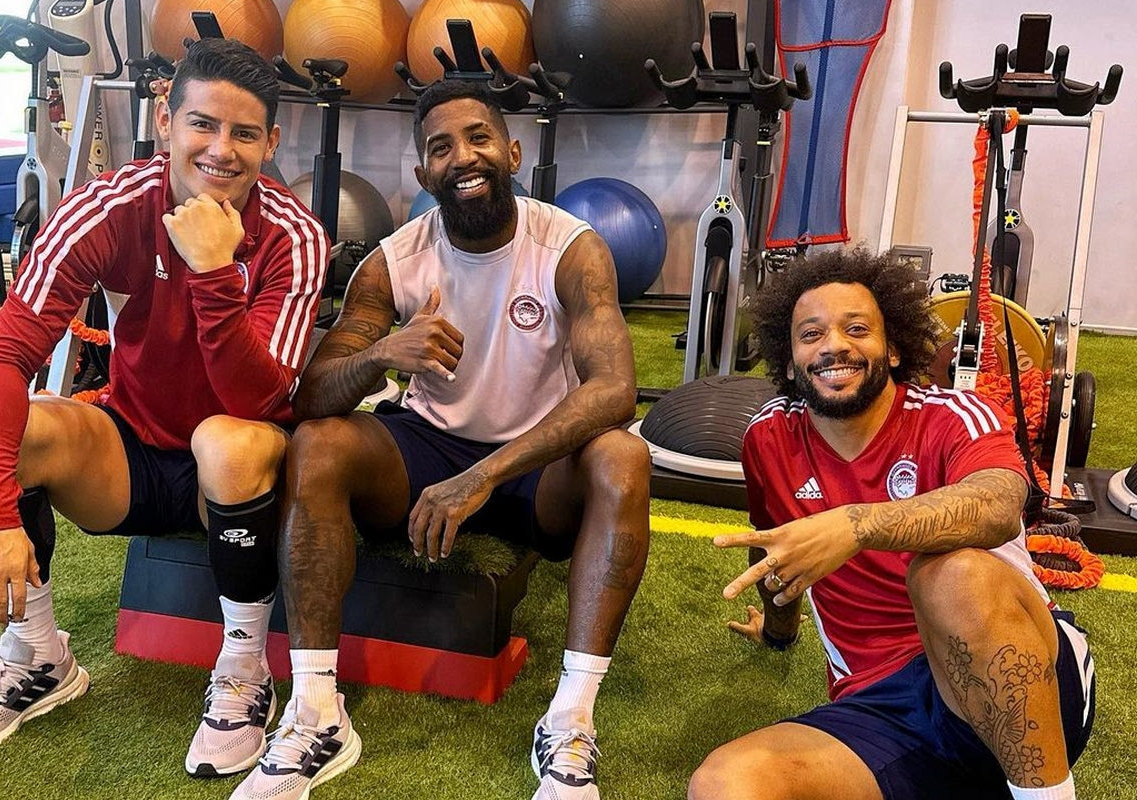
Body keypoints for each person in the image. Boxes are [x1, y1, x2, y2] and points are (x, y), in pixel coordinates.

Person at [227, 79, 651, 800]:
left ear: (512, 152)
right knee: (319, 444)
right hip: (427, 446)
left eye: (479, 138)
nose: (463, 157)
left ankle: (571, 721)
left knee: (623, 454)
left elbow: (614, 390)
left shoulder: (570, 249)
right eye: (441, 147)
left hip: (536, 461)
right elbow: (313, 397)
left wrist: (485, 475)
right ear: (424, 174)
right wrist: (381, 354)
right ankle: (316, 711)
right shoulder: (395, 259)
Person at [0, 39, 328, 780]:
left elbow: (259, 399)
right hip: (132, 454)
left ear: (271, 142)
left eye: (244, 133)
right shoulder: (106, 208)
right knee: (31, 424)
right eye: (202, 124)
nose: (221, 149)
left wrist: (214, 270)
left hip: (238, 475)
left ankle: (245, 667)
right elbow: (5, 356)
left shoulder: (294, 235)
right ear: (164, 121)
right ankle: (38, 656)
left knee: (230, 440)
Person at [689, 248, 1095, 800]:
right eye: (811, 334)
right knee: (724, 784)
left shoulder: (953, 416)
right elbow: (775, 550)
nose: (833, 345)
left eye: (857, 329)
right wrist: (779, 631)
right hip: (881, 707)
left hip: (1020, 680)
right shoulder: (769, 437)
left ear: (895, 348)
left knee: (950, 576)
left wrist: (857, 524)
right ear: (788, 361)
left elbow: (998, 505)